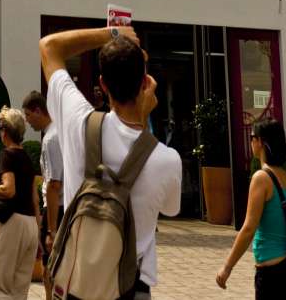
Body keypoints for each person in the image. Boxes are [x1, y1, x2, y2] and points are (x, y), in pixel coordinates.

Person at [39, 23, 182, 298]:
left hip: (76, 285)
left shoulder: (78, 123)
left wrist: (113, 32)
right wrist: (143, 119)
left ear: (102, 84)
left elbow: (50, 46)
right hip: (130, 289)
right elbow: (171, 209)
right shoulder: (167, 159)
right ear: (145, 84)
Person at [216, 118, 286, 293]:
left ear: (261, 142)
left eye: (252, 137)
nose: (251, 141)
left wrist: (227, 267)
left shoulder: (261, 178)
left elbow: (249, 228)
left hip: (270, 272)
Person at [0, 106, 39, 300]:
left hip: (13, 223)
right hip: (31, 224)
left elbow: (8, 189)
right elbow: (35, 199)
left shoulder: (7, 155)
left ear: (5, 132)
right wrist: (38, 235)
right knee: (18, 293)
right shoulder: (27, 158)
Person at [22, 88, 63, 270]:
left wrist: (51, 230)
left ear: (38, 111)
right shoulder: (56, 133)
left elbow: (54, 184)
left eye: (28, 114)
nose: (27, 120)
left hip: (57, 209)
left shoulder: (50, 140)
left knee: (50, 269)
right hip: (60, 207)